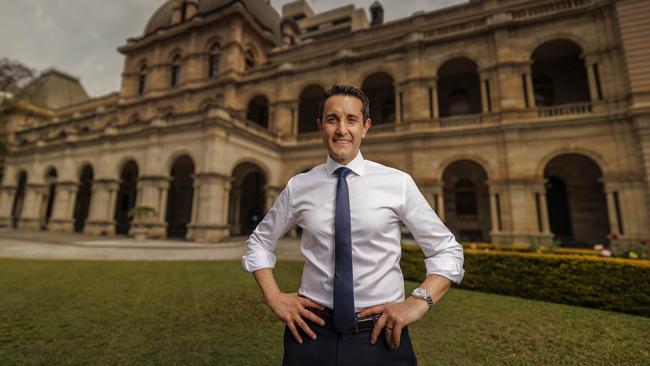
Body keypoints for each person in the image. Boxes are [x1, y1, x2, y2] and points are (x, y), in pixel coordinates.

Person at [242, 84, 465, 366]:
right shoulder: (300, 185)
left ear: (365, 127)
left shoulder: (397, 183)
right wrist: (273, 296)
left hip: (382, 336)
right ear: (320, 126)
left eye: (351, 120)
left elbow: (447, 250)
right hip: (310, 335)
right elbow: (259, 242)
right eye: (332, 119)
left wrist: (419, 302)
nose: (341, 130)